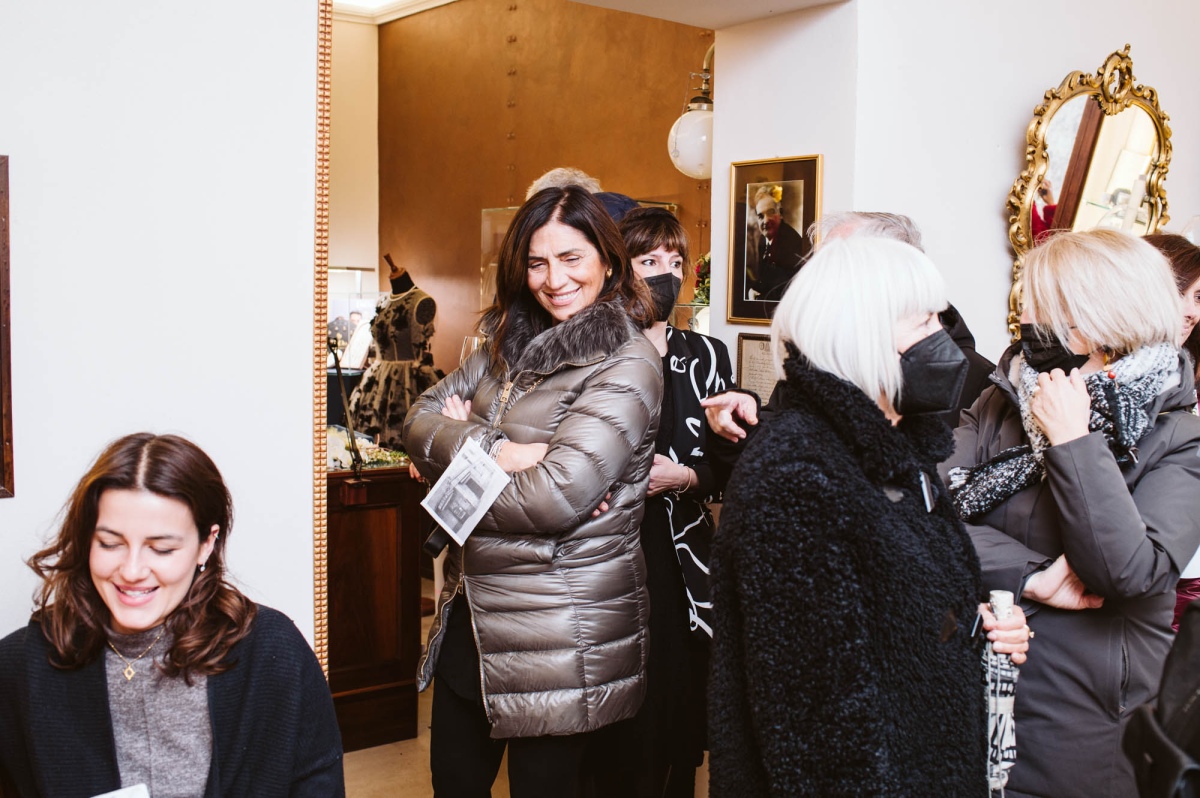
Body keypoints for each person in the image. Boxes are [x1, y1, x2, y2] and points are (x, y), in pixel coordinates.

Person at [709, 237, 1029, 796]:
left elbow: (895, 610)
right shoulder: (796, 476)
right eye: (923, 321)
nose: (941, 337)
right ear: (860, 334)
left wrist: (976, 624)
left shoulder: (896, 451)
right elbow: (817, 724)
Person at [402, 185, 662, 797]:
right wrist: (500, 450)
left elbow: (552, 498)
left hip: (559, 629)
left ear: (608, 260)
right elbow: (416, 419)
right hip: (473, 615)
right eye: (538, 262)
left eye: (572, 258)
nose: (554, 280)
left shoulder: (626, 362)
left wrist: (454, 457)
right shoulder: (504, 339)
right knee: (452, 785)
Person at [944, 229, 1200, 797]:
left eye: (1038, 302)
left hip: (1082, 726)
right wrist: (1030, 574)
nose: (1023, 317)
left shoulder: (1179, 436)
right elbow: (925, 514)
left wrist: (1071, 439)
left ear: (1094, 322)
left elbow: (1129, 570)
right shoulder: (1002, 397)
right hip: (972, 686)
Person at [0, 433, 344, 797]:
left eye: (161, 549)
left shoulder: (274, 654)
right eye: (110, 544)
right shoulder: (22, 665)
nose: (132, 571)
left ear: (206, 544)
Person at [592, 207, 734, 796]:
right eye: (649, 261)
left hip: (682, 560)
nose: (666, 275)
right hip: (604, 555)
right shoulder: (590, 351)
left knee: (676, 709)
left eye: (676, 263)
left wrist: (687, 477)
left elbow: (729, 467)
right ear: (619, 269)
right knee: (615, 721)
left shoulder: (707, 356)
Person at [704, 211, 995, 441]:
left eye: (838, 265)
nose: (820, 279)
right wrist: (744, 421)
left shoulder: (972, 378)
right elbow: (778, 439)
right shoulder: (819, 360)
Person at [1144, 232, 1200, 629]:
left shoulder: (1191, 380)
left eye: (1198, 298)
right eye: (1182, 293)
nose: (1192, 311)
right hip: (1145, 583)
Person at [348, 257, 439, 450]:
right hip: (377, 379)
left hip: (409, 380)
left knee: (405, 435)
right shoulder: (383, 301)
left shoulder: (422, 301)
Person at [746, 185, 805, 301]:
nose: (766, 220)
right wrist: (752, 290)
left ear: (781, 213)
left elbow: (784, 291)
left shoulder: (791, 242)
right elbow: (765, 279)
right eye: (760, 216)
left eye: (771, 212)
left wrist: (757, 298)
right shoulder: (763, 240)